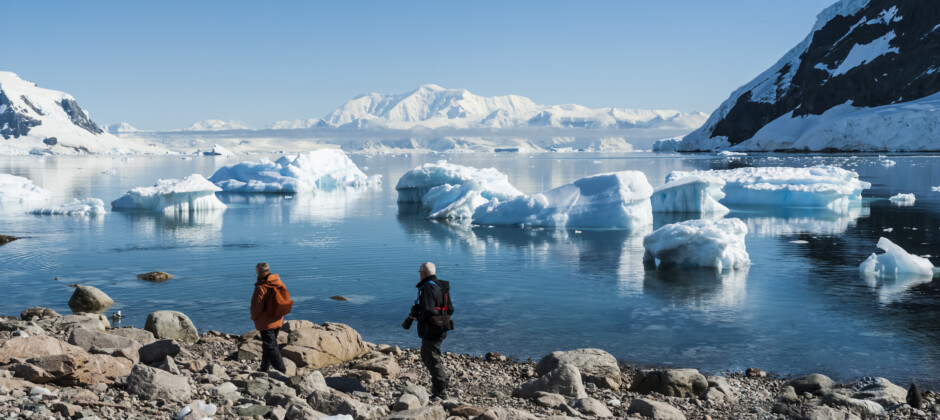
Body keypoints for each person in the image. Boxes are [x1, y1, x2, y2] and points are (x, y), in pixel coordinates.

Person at [409, 262, 454, 400]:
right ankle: (441, 383)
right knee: (426, 354)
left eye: (420, 272)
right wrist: (441, 318)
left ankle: (441, 391)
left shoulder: (427, 288)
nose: (419, 274)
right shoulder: (442, 287)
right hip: (442, 327)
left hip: (431, 329)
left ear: (424, 273)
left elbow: (428, 309)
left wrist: (418, 318)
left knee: (432, 358)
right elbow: (450, 309)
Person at [250, 262, 291, 373]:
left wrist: (254, 318)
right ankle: (264, 369)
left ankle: (282, 371)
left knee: (271, 346)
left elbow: (256, 307)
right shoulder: (278, 282)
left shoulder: (261, 287)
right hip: (277, 318)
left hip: (266, 322)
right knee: (268, 345)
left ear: (258, 272)